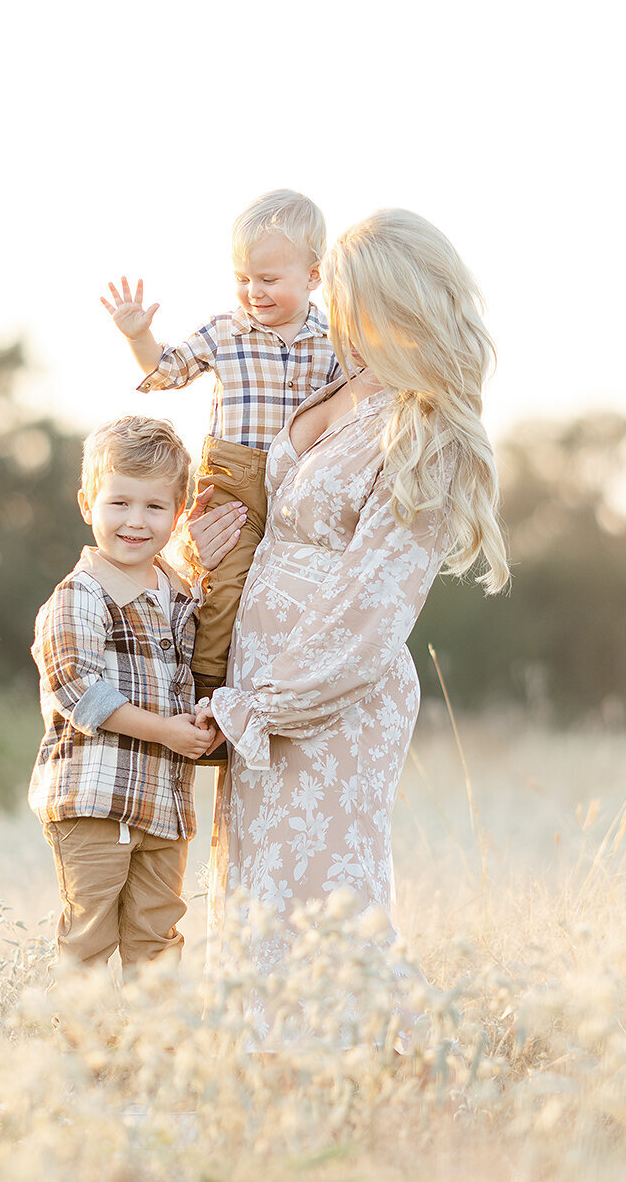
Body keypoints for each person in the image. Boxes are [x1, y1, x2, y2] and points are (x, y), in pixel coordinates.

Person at [190, 211, 510, 1010]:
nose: (332, 305)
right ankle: (261, 1079)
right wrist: (205, 548)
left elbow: (375, 603)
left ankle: (373, 1071)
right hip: (260, 678)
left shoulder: (425, 426)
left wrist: (260, 707)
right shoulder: (337, 376)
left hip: (329, 694)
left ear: (396, 299)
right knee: (260, 892)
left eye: (351, 292)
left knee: (324, 898)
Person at [100, 189, 340, 710]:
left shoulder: (334, 339)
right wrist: (139, 337)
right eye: (243, 278)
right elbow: (165, 370)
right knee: (229, 585)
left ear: (314, 276)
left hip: (299, 481)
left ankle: (289, 695)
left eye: (268, 280)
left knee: (290, 591)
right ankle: (207, 692)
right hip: (232, 480)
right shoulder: (225, 331)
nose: (253, 291)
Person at [28, 415, 216, 972]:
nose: (136, 522)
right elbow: (78, 690)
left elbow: (190, 676)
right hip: (94, 801)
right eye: (120, 504)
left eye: (154, 507)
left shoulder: (181, 597)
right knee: (88, 939)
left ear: (177, 513)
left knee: (157, 939)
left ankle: (156, 1055)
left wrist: (201, 717)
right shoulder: (79, 597)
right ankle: (77, 1055)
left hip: (164, 807)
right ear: (88, 504)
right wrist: (168, 733)